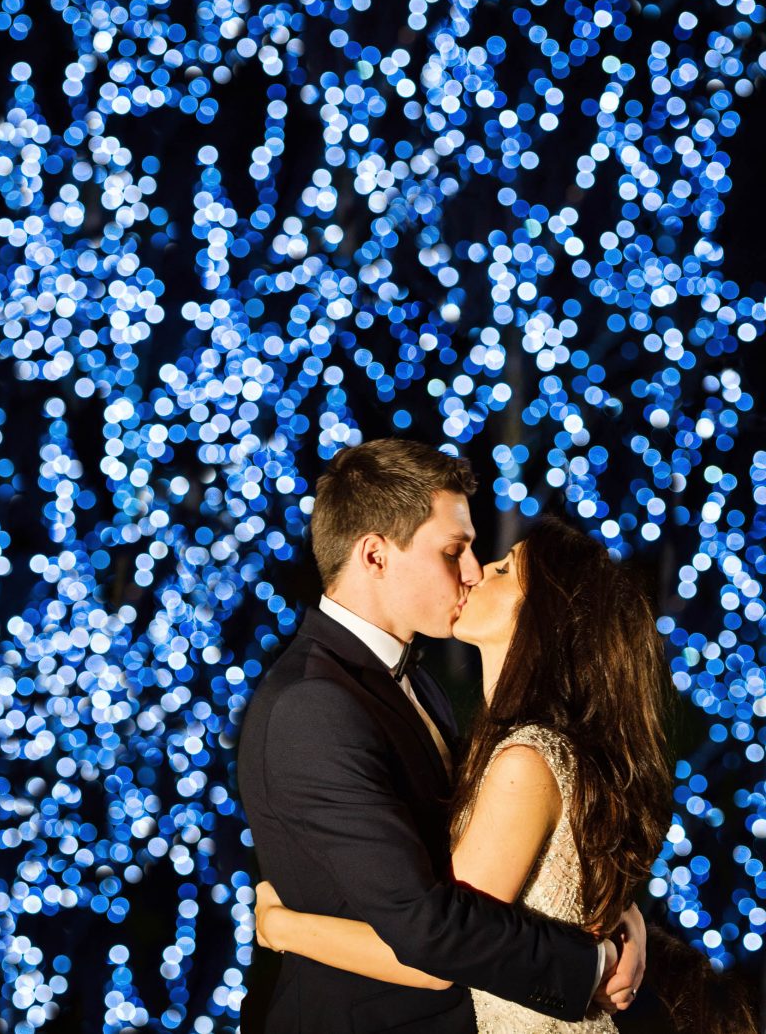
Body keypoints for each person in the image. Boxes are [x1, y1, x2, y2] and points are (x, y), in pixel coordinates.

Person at [237, 441, 645, 1033]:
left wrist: (619, 918)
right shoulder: (313, 706)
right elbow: (427, 929)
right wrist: (591, 963)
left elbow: (499, 864)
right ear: (375, 556)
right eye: (454, 550)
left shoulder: (417, 682)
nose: (474, 571)